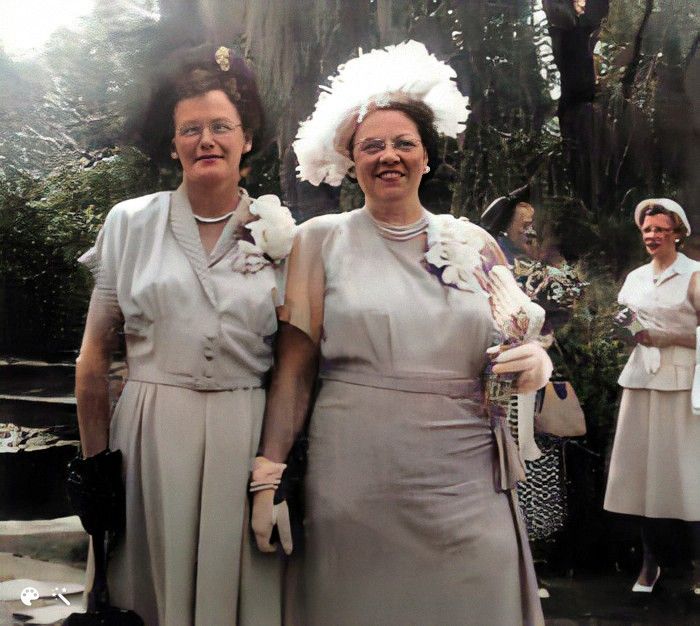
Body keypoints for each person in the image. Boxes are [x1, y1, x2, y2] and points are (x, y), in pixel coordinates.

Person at [251, 41, 551, 625]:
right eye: (373, 145)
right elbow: (294, 371)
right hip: (358, 474)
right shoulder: (320, 240)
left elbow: (518, 336)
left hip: (466, 474)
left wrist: (535, 363)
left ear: (426, 156)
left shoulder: (477, 244)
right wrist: (268, 476)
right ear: (351, 160)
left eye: (403, 143)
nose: (389, 155)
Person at [73, 45, 296, 625]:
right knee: (143, 592)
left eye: (221, 126)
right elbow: (94, 357)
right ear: (173, 144)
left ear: (247, 139)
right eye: (190, 129)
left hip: (242, 433)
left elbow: (299, 365)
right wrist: (96, 466)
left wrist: (276, 469)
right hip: (148, 436)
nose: (206, 140)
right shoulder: (130, 222)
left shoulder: (286, 236)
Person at [604, 199, 700, 595]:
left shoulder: (694, 275)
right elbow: (626, 325)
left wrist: (667, 337)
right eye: (647, 230)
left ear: (677, 232)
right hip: (641, 381)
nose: (652, 235)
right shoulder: (635, 277)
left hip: (682, 386)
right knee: (644, 480)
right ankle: (649, 565)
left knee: (687, 477)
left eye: (661, 229)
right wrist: (626, 331)